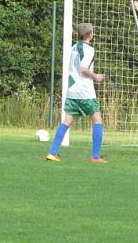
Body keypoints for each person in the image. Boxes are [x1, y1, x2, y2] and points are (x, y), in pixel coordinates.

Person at [46, 23, 107, 163]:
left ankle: (53, 152)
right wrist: (97, 76)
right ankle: (95, 156)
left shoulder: (73, 47)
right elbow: (84, 69)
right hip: (84, 90)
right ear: (89, 34)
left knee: (67, 120)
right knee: (97, 120)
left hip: (72, 90)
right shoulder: (89, 49)